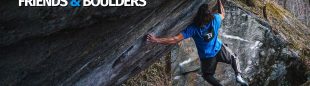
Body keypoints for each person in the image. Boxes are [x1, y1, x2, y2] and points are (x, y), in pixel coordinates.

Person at [146, 0, 248, 86]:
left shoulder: (193, 29)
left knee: (207, 75)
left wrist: (156, 40)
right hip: (220, 48)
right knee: (234, 57)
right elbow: (223, 14)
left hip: (207, 58)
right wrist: (219, 0)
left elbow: (174, 39)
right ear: (209, 14)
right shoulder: (215, 20)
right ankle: (238, 75)